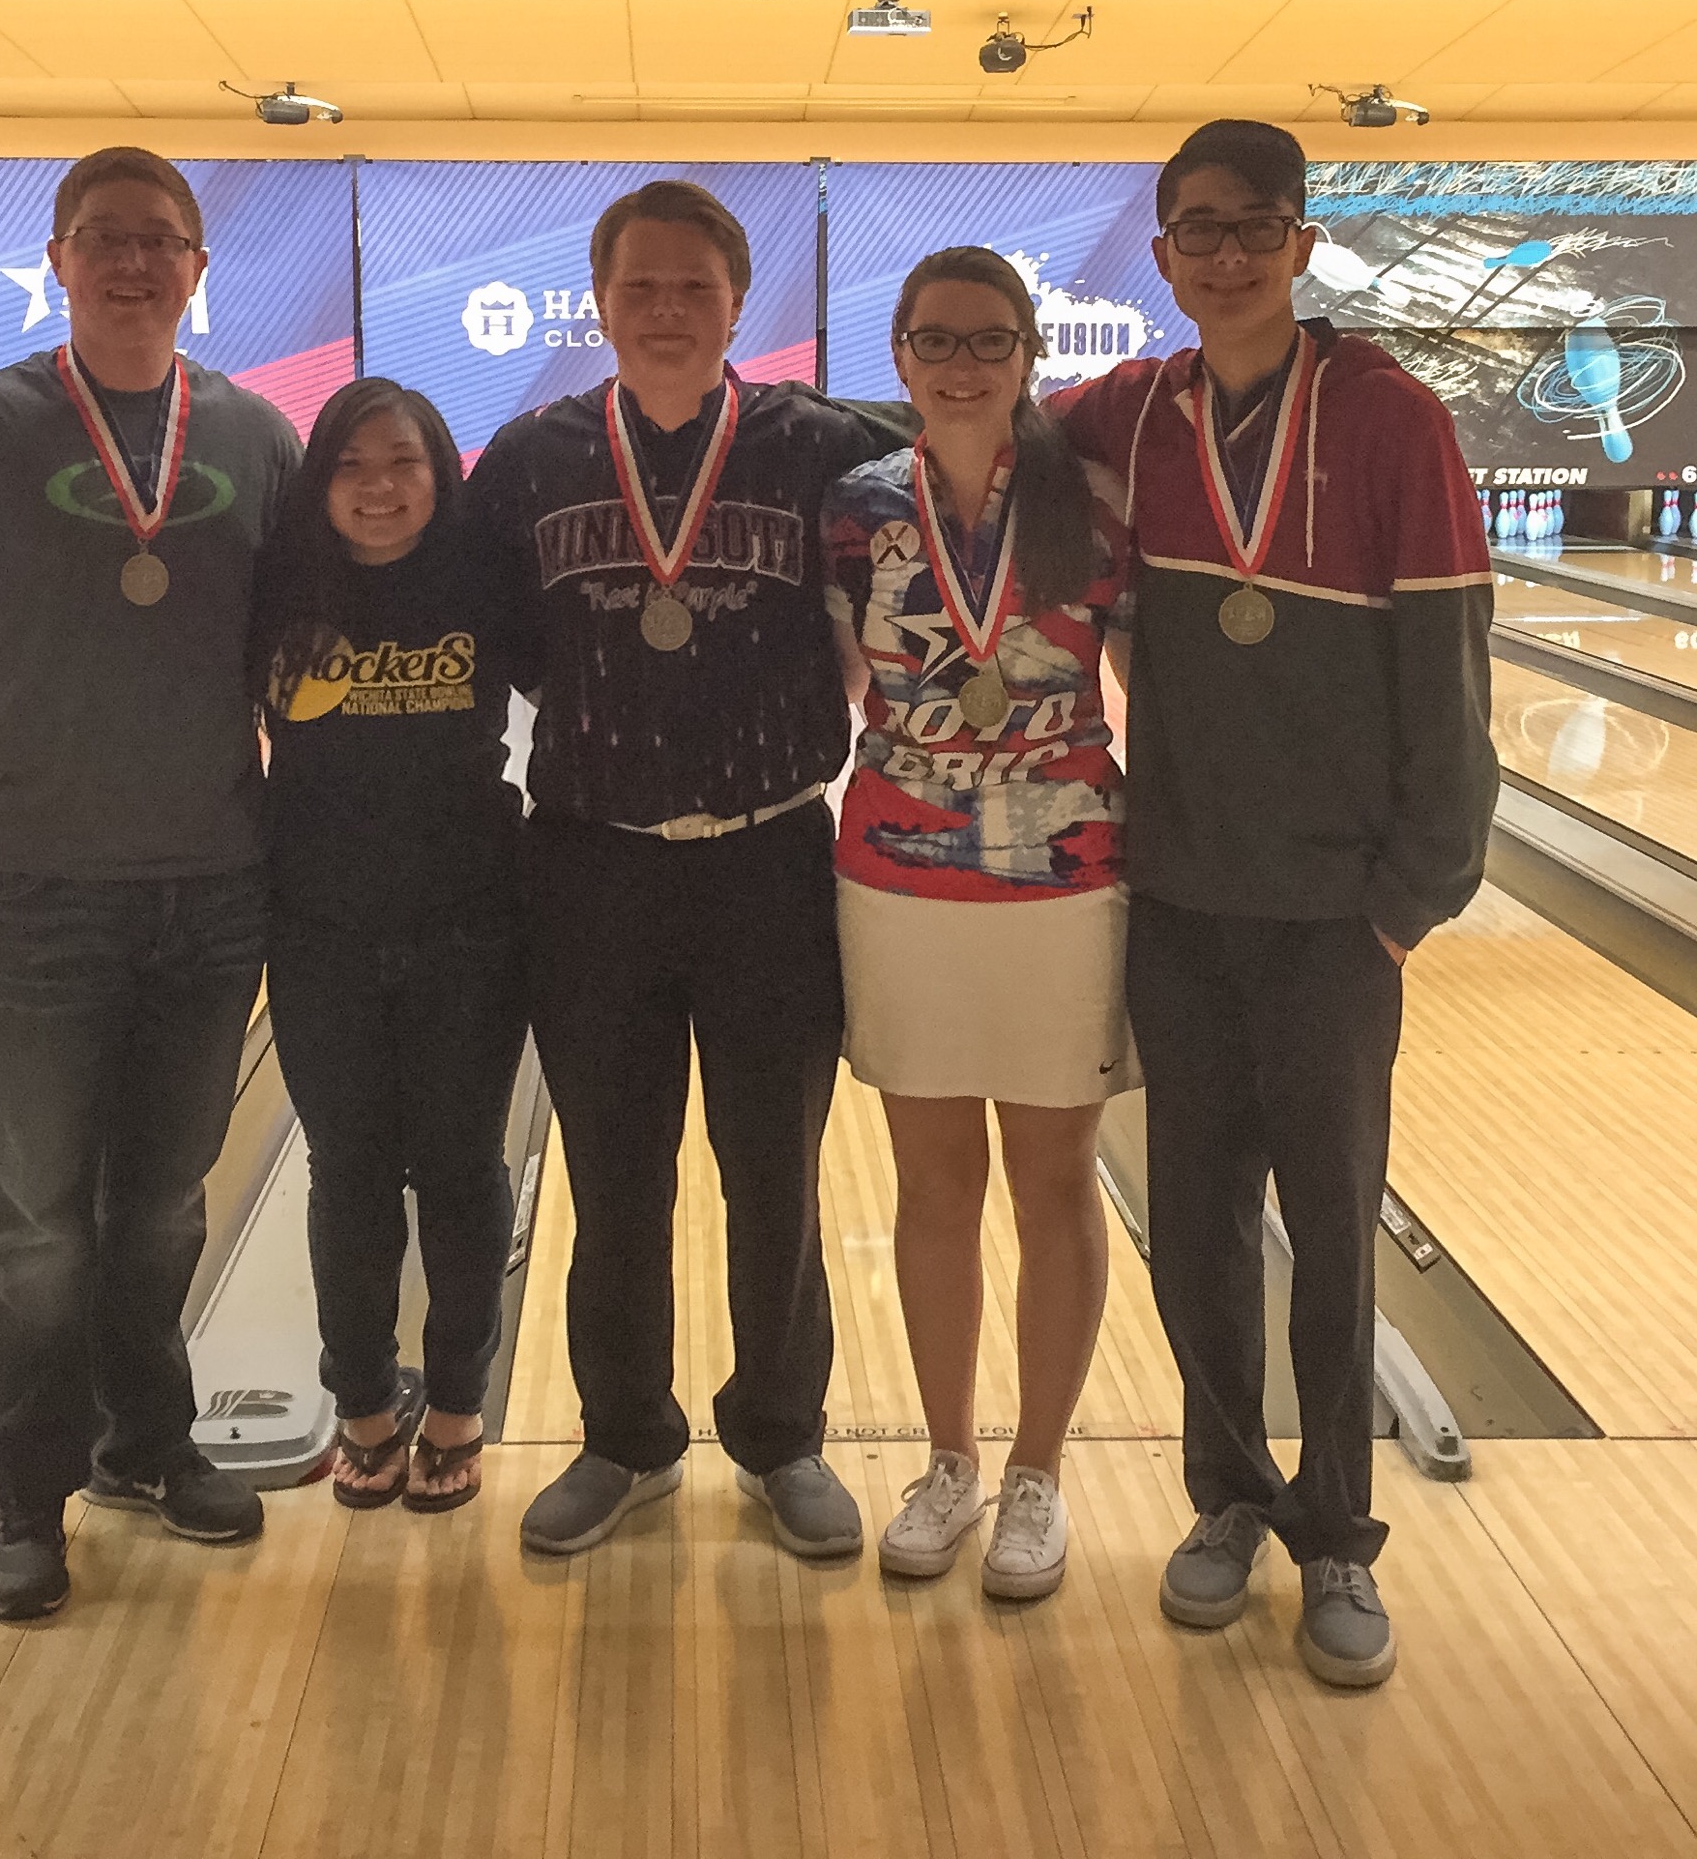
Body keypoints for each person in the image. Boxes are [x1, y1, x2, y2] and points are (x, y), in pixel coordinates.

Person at [1048, 120, 1498, 1687]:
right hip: (1178, 898)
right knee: (1195, 1235)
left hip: (1330, 921)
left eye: (1254, 229)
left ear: (1302, 246)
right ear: (1160, 254)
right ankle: (1227, 1499)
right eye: (1195, 231)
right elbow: (968, 428)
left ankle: (1339, 1540)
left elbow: (1449, 689)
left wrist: (1408, 901)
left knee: (1328, 1235)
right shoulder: (1135, 408)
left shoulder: (1392, 420)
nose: (1224, 256)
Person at [0, 146, 302, 1622]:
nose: (133, 263)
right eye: (103, 238)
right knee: (37, 1217)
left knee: (162, 1206)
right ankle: (19, 1493)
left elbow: (296, 664)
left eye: (160, 241)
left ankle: (145, 1447)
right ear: (58, 256)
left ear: (198, 269)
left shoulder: (258, 434)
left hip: (211, 886)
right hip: (27, 888)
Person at [467, 180, 907, 1560]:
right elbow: (492, 641)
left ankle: (780, 1438)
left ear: (739, 304)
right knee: (613, 1173)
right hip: (591, 866)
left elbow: (975, 485)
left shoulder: (824, 447)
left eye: (693, 290)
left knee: (774, 1172)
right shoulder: (530, 457)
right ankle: (626, 1438)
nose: (665, 311)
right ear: (599, 302)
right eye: (639, 288)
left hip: (771, 860)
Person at [823, 247, 1135, 1599]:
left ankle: (1037, 1473)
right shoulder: (850, 510)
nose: (961, 361)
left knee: (1052, 1185)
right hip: (900, 877)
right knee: (934, 1186)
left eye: (989, 339)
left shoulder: (1094, 503)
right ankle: (947, 1460)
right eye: (935, 337)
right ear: (898, 355)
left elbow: (1160, 692)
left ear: (1028, 355)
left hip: (1066, 882)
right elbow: (830, 678)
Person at [252, 378, 530, 1514]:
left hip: (468, 922)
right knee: (349, 1176)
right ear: (320, 480)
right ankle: (364, 1401)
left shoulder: (485, 577)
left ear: (441, 471)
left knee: (462, 1172)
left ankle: (456, 1402)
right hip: (318, 924)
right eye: (352, 464)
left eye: (402, 462)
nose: (377, 486)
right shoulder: (278, 585)